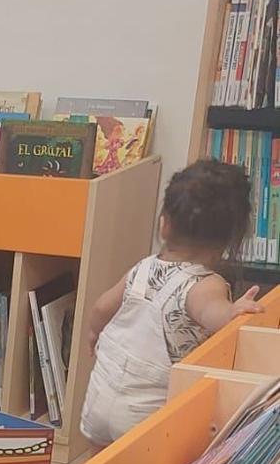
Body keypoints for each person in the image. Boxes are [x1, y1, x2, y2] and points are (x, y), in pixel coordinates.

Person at [81, 158, 262, 446]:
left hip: (101, 398)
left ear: (164, 225)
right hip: (146, 413)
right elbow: (211, 312)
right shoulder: (205, 284)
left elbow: (102, 307)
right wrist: (232, 312)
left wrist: (93, 333)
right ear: (230, 239)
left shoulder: (143, 268)